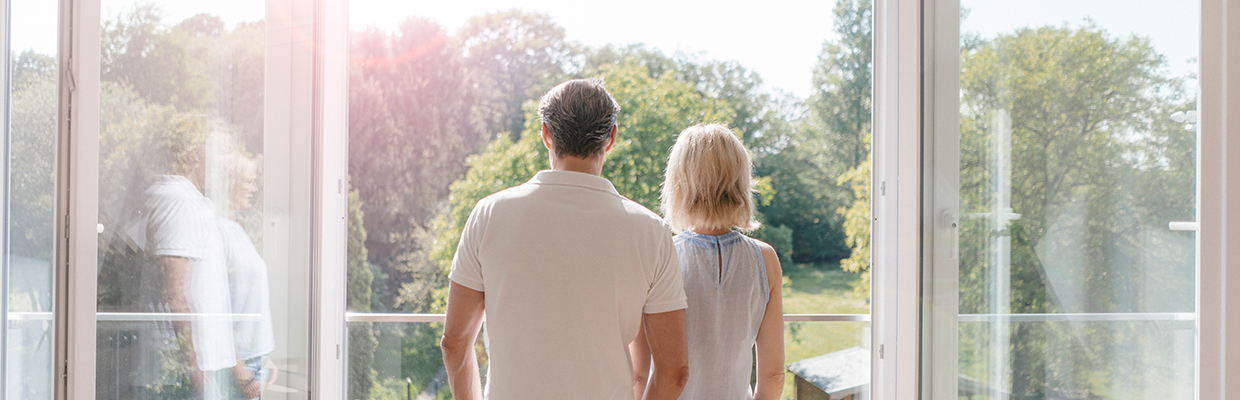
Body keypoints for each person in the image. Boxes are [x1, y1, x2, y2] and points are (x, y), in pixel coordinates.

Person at [441, 78, 690, 400]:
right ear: (611, 138)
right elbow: (675, 371)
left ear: (545, 133)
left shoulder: (490, 213)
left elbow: (455, 342)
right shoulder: (650, 230)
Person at [632, 123, 785, 399]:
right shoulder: (765, 259)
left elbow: (639, 375)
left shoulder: (659, 255)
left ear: (679, 183)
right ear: (740, 181)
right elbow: (774, 377)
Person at [219, 152, 278, 399]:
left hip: (254, 361)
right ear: (230, 182)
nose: (254, 189)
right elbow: (215, 308)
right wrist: (239, 367)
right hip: (238, 367)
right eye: (247, 181)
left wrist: (263, 356)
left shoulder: (236, 230)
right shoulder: (219, 230)